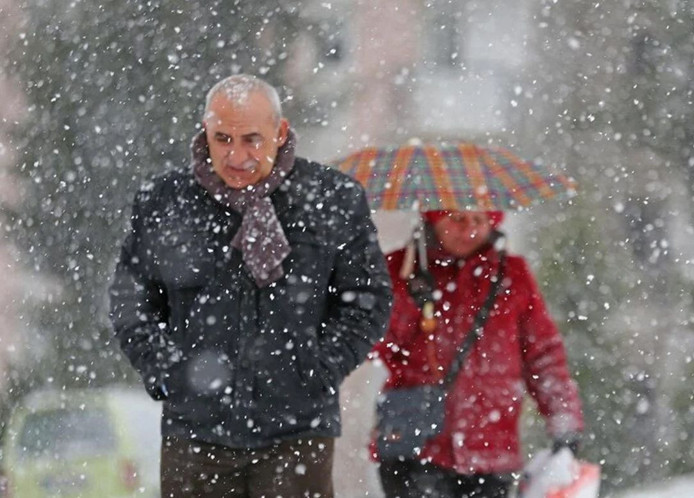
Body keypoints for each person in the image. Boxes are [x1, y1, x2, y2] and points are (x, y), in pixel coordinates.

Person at [109, 74, 393, 498]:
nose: (236, 155)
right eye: (222, 138)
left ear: (280, 132)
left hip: (298, 433)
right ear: (205, 130)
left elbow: (368, 300)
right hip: (196, 435)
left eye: (251, 140)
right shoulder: (165, 202)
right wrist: (167, 371)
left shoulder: (332, 199)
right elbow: (131, 302)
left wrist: (320, 369)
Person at [370, 210, 584, 498]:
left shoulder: (512, 275)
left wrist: (564, 420)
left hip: (491, 452)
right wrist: (409, 297)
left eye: (480, 220)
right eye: (457, 218)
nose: (469, 229)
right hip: (414, 445)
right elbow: (373, 343)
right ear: (434, 219)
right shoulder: (401, 269)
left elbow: (543, 356)